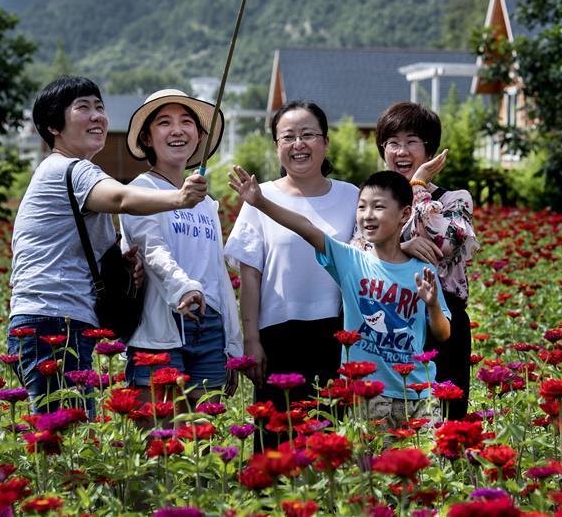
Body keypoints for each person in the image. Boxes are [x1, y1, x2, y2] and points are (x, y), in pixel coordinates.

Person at [7, 77, 208, 414]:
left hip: (56, 319)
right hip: (54, 322)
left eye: (100, 107)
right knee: (63, 435)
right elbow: (121, 197)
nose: (97, 116)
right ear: (53, 125)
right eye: (83, 107)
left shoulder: (62, 171)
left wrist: (121, 266)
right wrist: (179, 198)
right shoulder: (70, 169)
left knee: (66, 432)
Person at [229, 166, 451, 432]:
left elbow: (442, 333)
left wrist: (433, 304)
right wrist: (261, 202)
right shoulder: (351, 262)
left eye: (378, 207)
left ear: (405, 214)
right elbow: (306, 228)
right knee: (373, 470)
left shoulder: (420, 271)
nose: (367, 216)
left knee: (422, 468)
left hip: (419, 393)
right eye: (361, 207)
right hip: (367, 393)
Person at [223, 101, 358, 422]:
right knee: (275, 439)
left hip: (337, 336)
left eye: (308, 134)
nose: (298, 144)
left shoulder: (352, 196)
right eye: (288, 137)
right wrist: (251, 339)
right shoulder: (259, 197)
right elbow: (250, 276)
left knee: (330, 440)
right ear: (277, 146)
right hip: (277, 337)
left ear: (326, 142)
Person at [119, 89, 243, 410]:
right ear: (147, 138)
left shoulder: (206, 204)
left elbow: (217, 275)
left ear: (199, 136)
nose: (177, 130)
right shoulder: (141, 191)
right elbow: (152, 251)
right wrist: (184, 288)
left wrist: (232, 343)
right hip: (160, 325)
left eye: (187, 122)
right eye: (164, 122)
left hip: (209, 326)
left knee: (201, 440)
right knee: (158, 437)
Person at [359, 102, 479, 420]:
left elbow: (444, 243)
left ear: (429, 149)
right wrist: (404, 242)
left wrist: (418, 186)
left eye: (412, 141)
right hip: (390, 325)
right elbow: (356, 252)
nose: (402, 151)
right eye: (392, 142)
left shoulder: (455, 199)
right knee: (388, 424)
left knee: (447, 422)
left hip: (443, 321)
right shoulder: (372, 201)